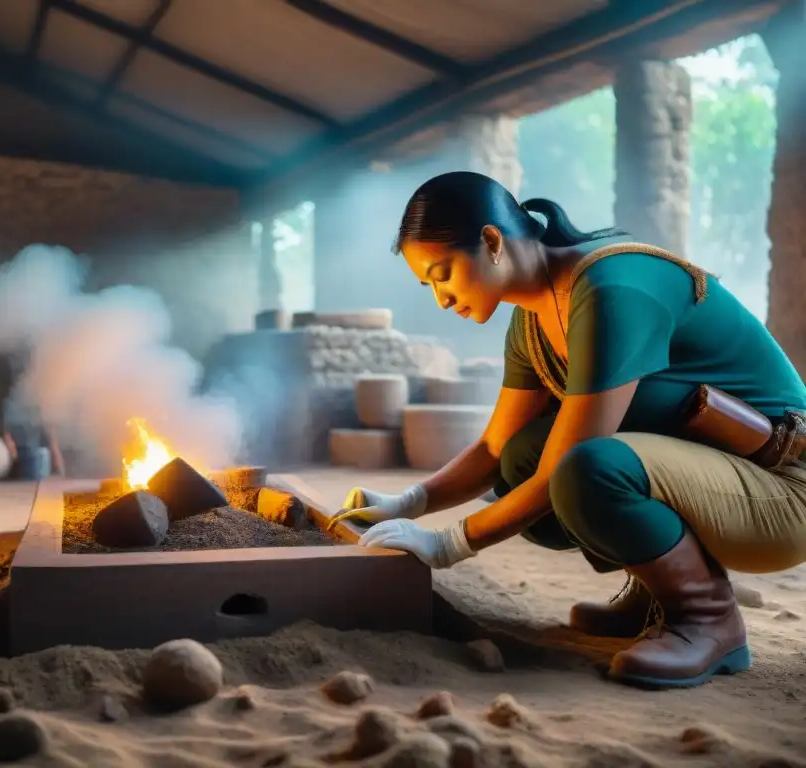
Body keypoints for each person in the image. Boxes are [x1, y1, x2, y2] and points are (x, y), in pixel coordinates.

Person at [331, 171, 806, 690]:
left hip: (781, 490)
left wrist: (448, 543)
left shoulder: (611, 287)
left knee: (587, 469)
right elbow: (495, 448)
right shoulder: (533, 315)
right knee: (522, 458)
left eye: (443, 273)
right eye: (430, 285)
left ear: (491, 241)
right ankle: (656, 593)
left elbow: (570, 458)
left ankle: (708, 618)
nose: (442, 298)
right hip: (718, 476)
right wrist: (410, 502)